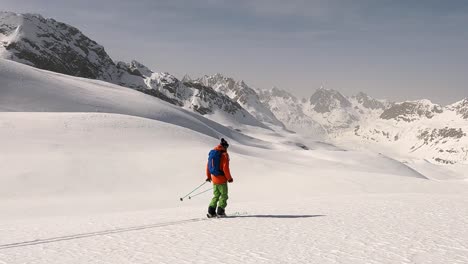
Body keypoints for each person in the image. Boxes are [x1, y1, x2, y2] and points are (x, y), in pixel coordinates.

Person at [206, 138, 233, 217]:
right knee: (224, 195)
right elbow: (225, 168)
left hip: (214, 178)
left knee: (216, 195)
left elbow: (208, 166)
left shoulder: (213, 153)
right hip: (222, 179)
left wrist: (208, 176)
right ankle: (220, 211)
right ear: (224, 146)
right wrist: (229, 178)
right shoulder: (224, 155)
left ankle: (211, 211)